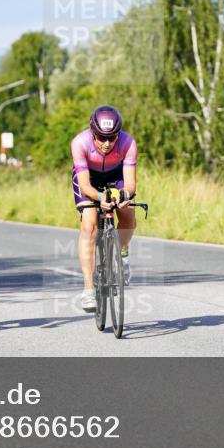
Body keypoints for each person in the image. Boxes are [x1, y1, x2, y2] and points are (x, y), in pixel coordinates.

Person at [71, 105, 138, 312]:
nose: (107, 143)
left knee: (127, 215)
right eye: (101, 137)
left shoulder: (128, 143)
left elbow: (129, 184)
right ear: (93, 132)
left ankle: (122, 253)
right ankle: (89, 289)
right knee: (89, 226)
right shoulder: (80, 143)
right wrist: (101, 198)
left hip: (116, 176)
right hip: (88, 179)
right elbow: (84, 186)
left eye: (112, 137)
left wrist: (125, 195)